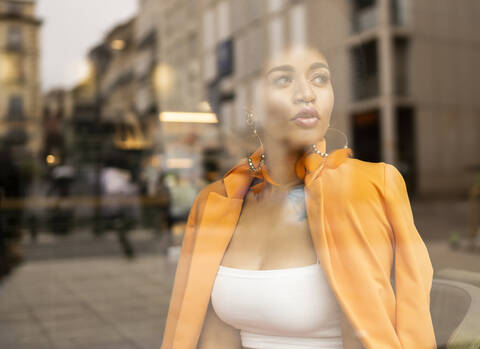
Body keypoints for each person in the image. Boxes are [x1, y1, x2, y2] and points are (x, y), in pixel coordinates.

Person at [160, 45, 436, 349]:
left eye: (320, 79)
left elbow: (399, 323)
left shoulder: (367, 186)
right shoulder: (217, 201)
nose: (307, 93)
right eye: (283, 80)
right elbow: (215, 335)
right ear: (253, 104)